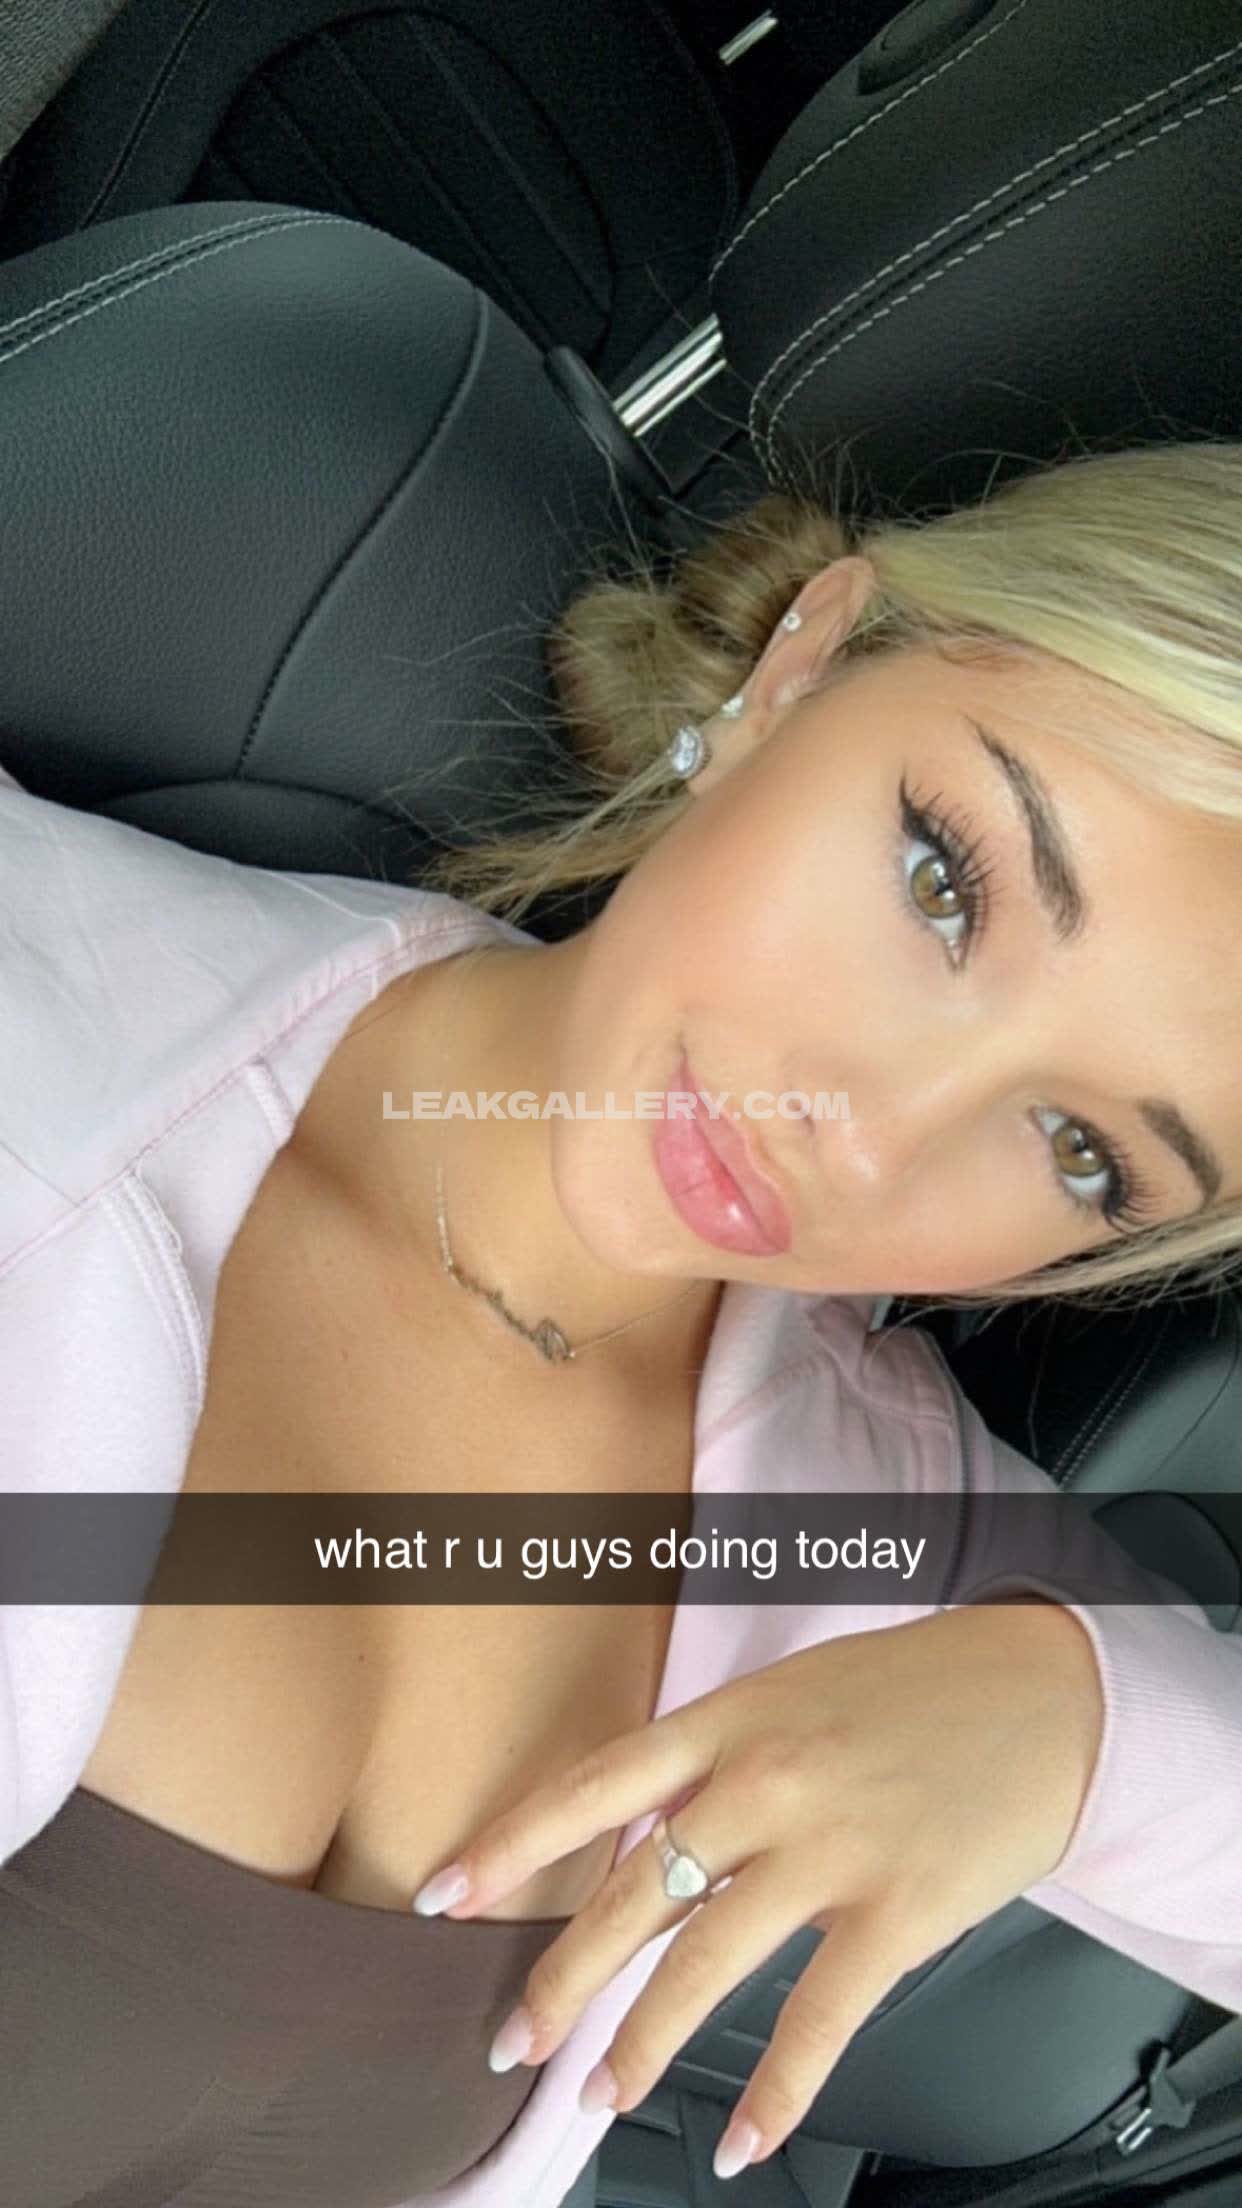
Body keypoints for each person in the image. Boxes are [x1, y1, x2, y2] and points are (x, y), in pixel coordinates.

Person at [0, 437, 1240, 2208]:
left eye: (1077, 1151)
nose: (866, 1131)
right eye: (941, 885)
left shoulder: (865, 1508)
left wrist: (1069, 1724)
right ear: (803, 662)